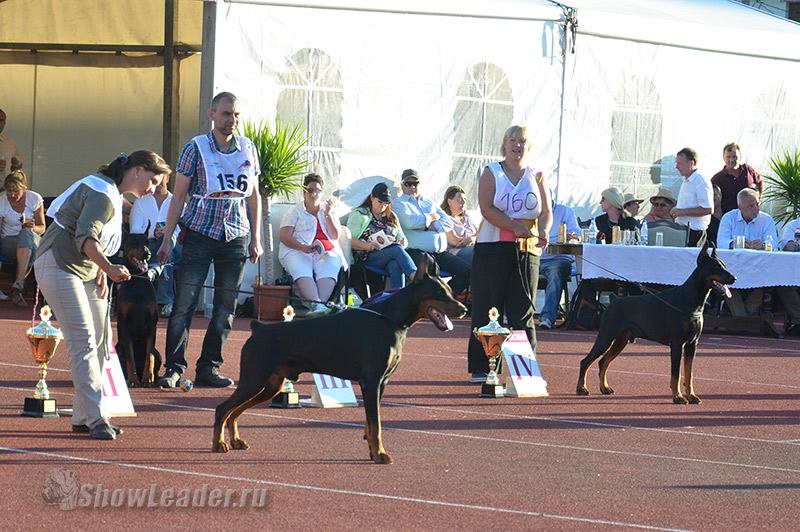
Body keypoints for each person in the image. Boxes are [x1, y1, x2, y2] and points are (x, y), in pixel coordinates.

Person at [33, 151, 169, 440]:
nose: (155, 188)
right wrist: (107, 267)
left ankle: (83, 417)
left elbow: (93, 241)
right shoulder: (102, 194)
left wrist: (100, 269)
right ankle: (96, 418)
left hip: (86, 269)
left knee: (102, 340)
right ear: (137, 171)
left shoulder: (114, 193)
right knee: (83, 340)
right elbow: (86, 237)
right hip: (57, 264)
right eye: (154, 180)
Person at [156, 91, 262, 389]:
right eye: (227, 114)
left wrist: (256, 237)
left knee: (225, 307)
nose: (232, 120)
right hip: (200, 233)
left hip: (236, 235)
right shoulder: (195, 148)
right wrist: (167, 240)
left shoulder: (248, 148)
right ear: (212, 114)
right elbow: (178, 196)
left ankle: (209, 367)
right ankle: (174, 368)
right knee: (185, 303)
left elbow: (253, 196)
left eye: (236, 114)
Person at [466, 125, 552, 383]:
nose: (517, 145)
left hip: (527, 250)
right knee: (488, 308)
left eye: (522, 141)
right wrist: (514, 227)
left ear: (529, 146)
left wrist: (545, 230)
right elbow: (487, 208)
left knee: (522, 310)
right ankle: (484, 367)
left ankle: (523, 371)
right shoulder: (492, 172)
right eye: (512, 140)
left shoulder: (536, 175)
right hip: (493, 248)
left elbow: (546, 210)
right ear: (504, 144)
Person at [393, 169, 471, 296]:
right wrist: (432, 218)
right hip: (417, 252)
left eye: (415, 183)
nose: (412, 186)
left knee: (468, 271)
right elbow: (409, 222)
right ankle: (431, 302)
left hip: (439, 252)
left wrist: (426, 225)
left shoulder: (428, 202)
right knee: (430, 275)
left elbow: (447, 222)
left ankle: (443, 298)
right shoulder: (399, 203)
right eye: (408, 183)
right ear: (402, 185)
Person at [279, 173, 346, 317]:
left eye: (317, 190)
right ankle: (318, 305)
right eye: (310, 190)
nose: (313, 193)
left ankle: (318, 306)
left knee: (331, 264)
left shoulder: (328, 210)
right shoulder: (294, 211)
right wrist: (303, 247)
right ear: (304, 191)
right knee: (301, 266)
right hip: (297, 248)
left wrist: (328, 214)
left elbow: (335, 235)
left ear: (322, 192)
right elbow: (284, 236)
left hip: (324, 250)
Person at [717, 187, 777, 316]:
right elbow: (721, 242)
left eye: (757, 204)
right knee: (728, 281)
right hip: (733, 267)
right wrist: (735, 244)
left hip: (759, 268)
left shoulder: (766, 219)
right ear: (740, 207)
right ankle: (744, 319)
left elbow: (774, 245)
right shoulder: (728, 218)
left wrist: (763, 245)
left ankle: (738, 317)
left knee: (762, 284)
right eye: (751, 206)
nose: (756, 208)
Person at [346, 182, 416, 289]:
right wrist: (367, 246)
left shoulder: (392, 216)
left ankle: (397, 299)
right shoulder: (360, 213)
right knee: (396, 250)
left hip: (388, 255)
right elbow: (348, 239)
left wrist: (403, 242)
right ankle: (416, 278)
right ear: (372, 197)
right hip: (366, 256)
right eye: (380, 202)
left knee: (395, 265)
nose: (383, 206)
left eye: (386, 203)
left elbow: (403, 239)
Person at [129, 172, 178, 317]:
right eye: (153, 179)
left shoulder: (178, 201)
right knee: (164, 247)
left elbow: (182, 228)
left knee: (168, 242)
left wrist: (167, 233)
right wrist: (153, 232)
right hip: (149, 245)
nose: (156, 182)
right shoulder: (140, 202)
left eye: (160, 178)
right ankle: (165, 301)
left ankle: (154, 272)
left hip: (173, 246)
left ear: (167, 178)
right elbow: (135, 231)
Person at [0, 171, 45, 305]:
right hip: (10, 241)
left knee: (27, 234)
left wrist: (32, 228)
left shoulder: (35, 198)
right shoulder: (1, 200)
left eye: (16, 191)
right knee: (30, 249)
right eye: (9, 191)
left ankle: (18, 283)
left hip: (32, 239)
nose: (12, 195)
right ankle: (19, 284)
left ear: (24, 189)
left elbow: (42, 228)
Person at [538, 199, 580, 329]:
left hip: (558, 258)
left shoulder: (565, 211)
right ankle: (512, 316)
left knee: (556, 272)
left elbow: (577, 235)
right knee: (514, 267)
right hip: (534, 256)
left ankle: (547, 318)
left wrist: (572, 237)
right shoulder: (530, 209)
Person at [672, 147, 713, 247]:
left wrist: (682, 212)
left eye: (679, 163)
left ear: (691, 163)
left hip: (694, 233)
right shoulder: (685, 181)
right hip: (682, 231)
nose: (676, 167)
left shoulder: (700, 181)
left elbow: (708, 209)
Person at [710, 142, 763, 215]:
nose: (731, 160)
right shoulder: (717, 178)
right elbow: (711, 197)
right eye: (728, 157)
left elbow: (759, 181)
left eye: (735, 157)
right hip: (730, 219)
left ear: (740, 157)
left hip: (750, 215)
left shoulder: (748, 170)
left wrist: (758, 198)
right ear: (723, 157)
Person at [440, 184, 477, 265]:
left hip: (472, 248)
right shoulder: (445, 219)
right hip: (455, 254)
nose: (463, 203)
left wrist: (472, 239)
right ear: (449, 201)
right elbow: (456, 242)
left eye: (465, 200)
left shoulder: (466, 217)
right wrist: (472, 240)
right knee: (480, 251)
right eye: (459, 200)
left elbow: (480, 234)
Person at [0, 109, 23, 178]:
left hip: (5, 187)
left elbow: (17, 167)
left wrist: (17, 165)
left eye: (1, 121)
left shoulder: (10, 143)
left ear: (4, 123)